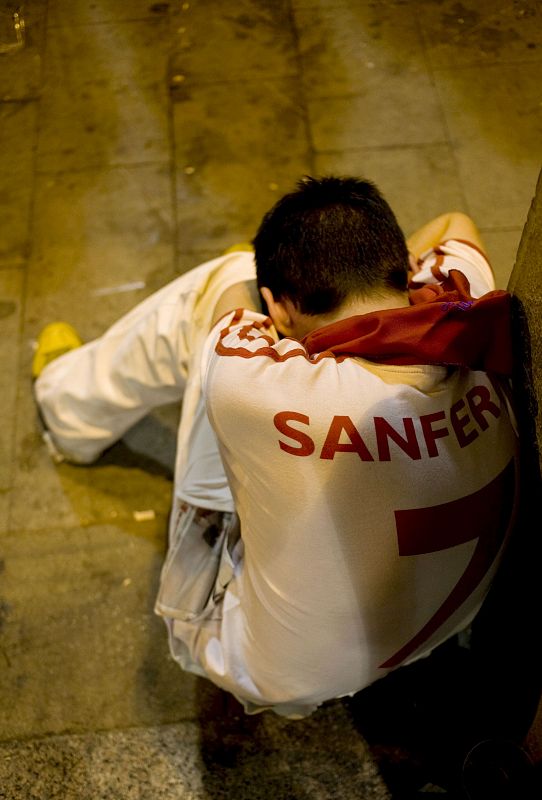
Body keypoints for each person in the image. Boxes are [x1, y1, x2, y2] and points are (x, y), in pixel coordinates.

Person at [33, 176, 519, 719]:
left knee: (222, 274)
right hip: (444, 626)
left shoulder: (258, 388)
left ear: (279, 310)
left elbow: (230, 304)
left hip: (268, 670)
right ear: (404, 270)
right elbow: (457, 223)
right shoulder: (464, 308)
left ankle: (66, 406)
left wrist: (254, 278)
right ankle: (71, 399)